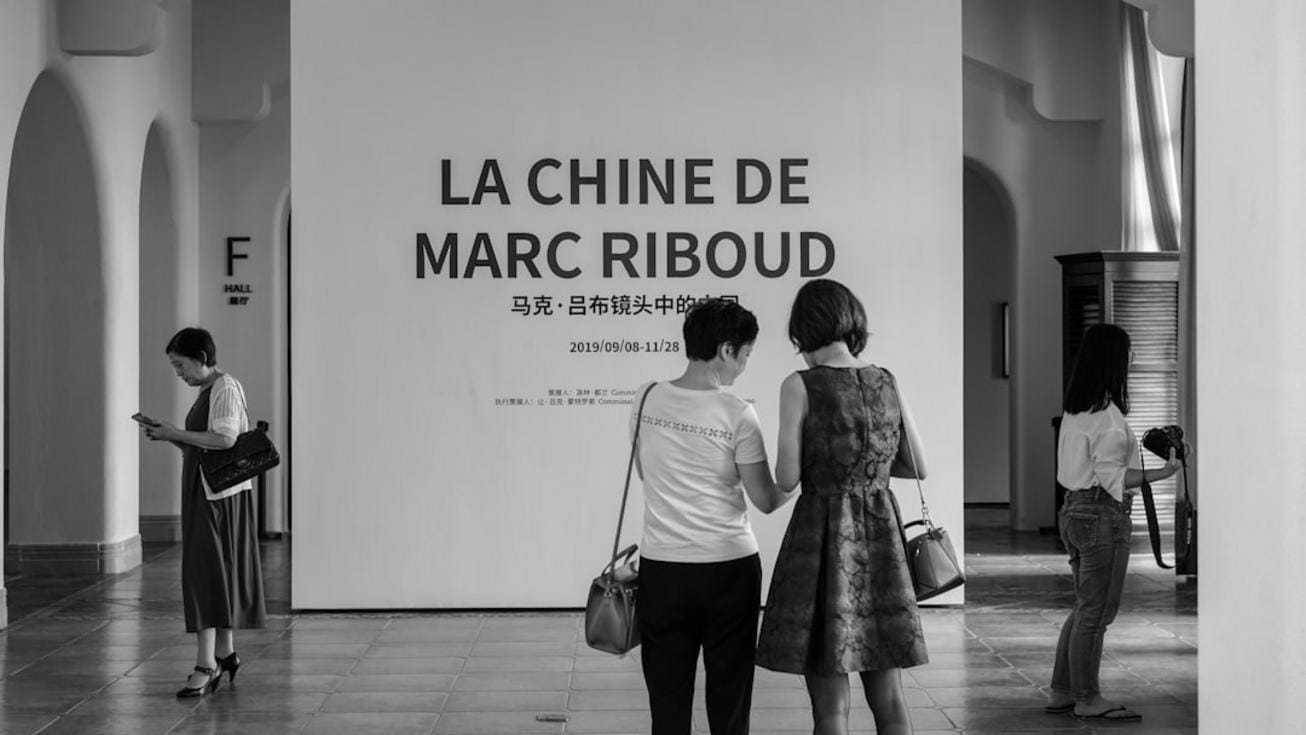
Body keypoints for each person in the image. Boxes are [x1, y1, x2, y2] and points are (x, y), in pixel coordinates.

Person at [755, 279, 928, 735]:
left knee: (831, 709)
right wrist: (867, 468)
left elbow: (788, 478)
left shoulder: (799, 385)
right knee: (889, 698)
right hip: (881, 541)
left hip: (822, 541)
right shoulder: (886, 379)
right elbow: (919, 465)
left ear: (803, 332)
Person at [631, 298, 794, 735]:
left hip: (663, 567)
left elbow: (647, 475)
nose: (743, 365)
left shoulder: (645, 398)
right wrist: (794, 480)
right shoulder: (738, 412)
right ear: (726, 350)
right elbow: (764, 499)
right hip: (728, 569)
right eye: (745, 355)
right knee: (730, 694)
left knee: (666, 696)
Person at [1044, 323, 1181, 722]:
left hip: (1073, 511)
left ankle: (1062, 691)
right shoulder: (1106, 416)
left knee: (1084, 607)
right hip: (1102, 515)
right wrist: (1165, 472)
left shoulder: (1076, 409)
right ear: (1114, 360)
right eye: (1129, 351)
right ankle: (1087, 698)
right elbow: (1114, 480)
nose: (1133, 358)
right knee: (1097, 613)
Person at [142, 327, 266, 698]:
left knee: (205, 575)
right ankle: (224, 652)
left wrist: (177, 432)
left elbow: (225, 439)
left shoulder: (224, 388)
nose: (178, 373)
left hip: (218, 499)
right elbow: (209, 445)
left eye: (180, 365)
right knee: (213, 573)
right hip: (208, 493)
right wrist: (172, 435)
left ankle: (206, 664)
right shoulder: (208, 391)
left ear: (201, 357)